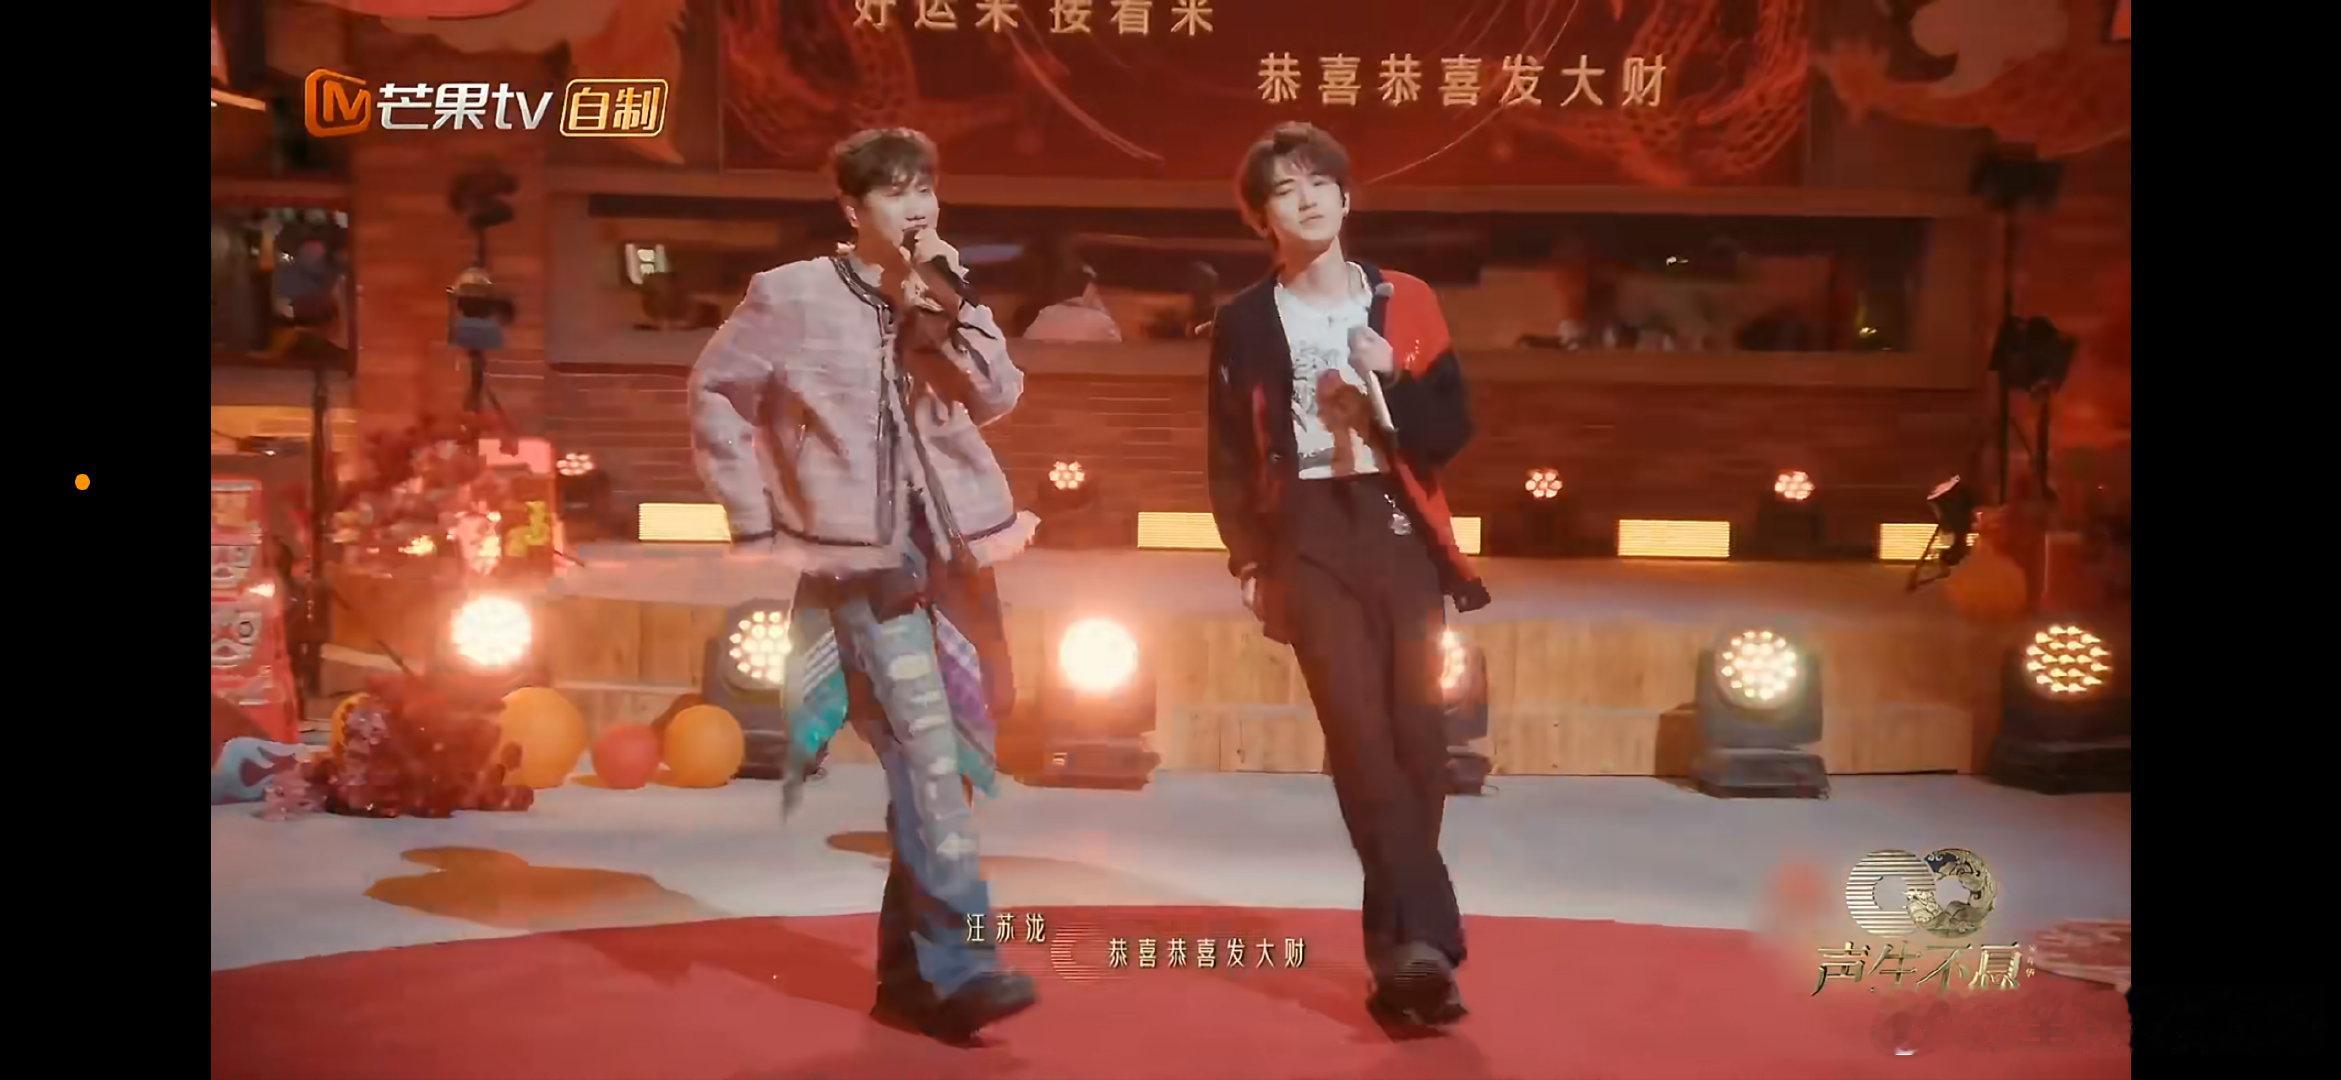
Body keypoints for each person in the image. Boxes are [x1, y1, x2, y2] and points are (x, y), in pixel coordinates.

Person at [688, 127, 1040, 1043]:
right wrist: (755, 511)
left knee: (952, 761)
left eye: (925, 188)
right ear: (852, 208)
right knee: (927, 752)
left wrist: (950, 296)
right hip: (861, 560)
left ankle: (909, 982)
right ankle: (963, 967)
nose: (915, 206)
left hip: (954, 555)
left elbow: (997, 393)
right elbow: (716, 392)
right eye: (893, 191)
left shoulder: (938, 287)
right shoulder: (793, 294)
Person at [1203, 122, 1491, 1027]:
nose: (1308, 198)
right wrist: (1249, 556)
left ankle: (1402, 957)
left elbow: (1450, 430)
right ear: (1263, 218)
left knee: (1418, 739)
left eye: (1319, 182)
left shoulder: (1404, 300)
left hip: (1395, 523)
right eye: (1285, 190)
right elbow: (1225, 451)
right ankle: (1424, 942)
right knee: (1360, 739)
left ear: (1345, 196)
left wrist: (1390, 381)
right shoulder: (1245, 321)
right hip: (1307, 533)